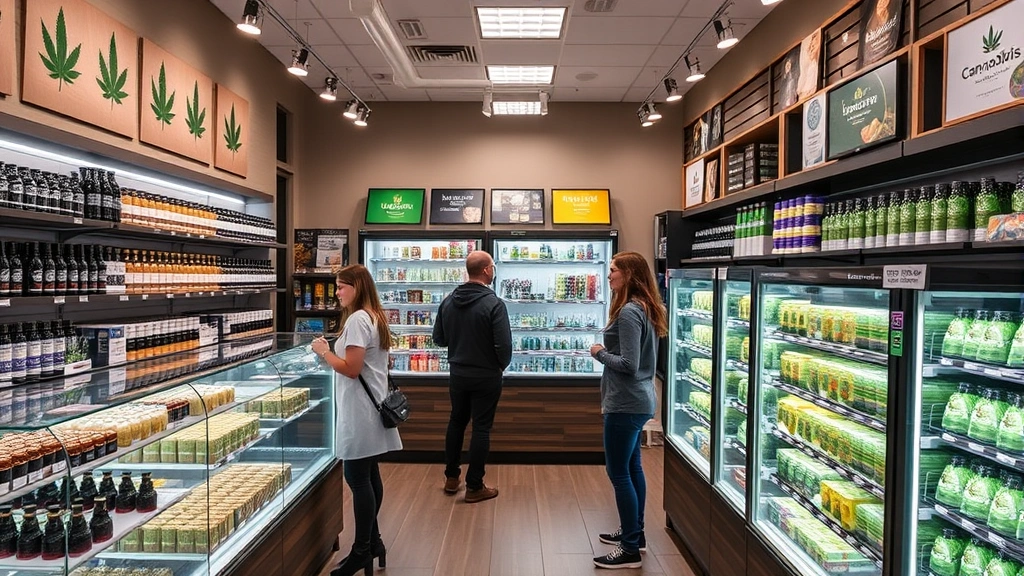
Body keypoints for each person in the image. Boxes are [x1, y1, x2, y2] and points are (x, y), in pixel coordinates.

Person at [311, 264, 402, 576]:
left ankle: (361, 549)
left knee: (357, 478)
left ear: (357, 287)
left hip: (360, 412)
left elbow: (351, 368)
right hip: (371, 409)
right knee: (369, 474)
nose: (337, 293)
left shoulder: (358, 319)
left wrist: (324, 351)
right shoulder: (374, 316)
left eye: (341, 287)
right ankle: (373, 542)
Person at [589, 252, 667, 570]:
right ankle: (635, 533)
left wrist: (599, 352)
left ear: (629, 275)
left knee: (619, 473)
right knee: (634, 468)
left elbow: (629, 365)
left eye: (613, 270)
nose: (609, 275)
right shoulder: (646, 308)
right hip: (639, 400)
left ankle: (630, 549)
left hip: (625, 402)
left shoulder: (629, 313)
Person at [432, 250, 512, 503]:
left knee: (456, 422)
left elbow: (439, 339)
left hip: (457, 373)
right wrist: (499, 366)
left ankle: (451, 478)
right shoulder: (494, 304)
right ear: (487, 270)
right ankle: (475, 486)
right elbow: (504, 346)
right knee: (481, 428)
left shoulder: (448, 301)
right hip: (486, 375)